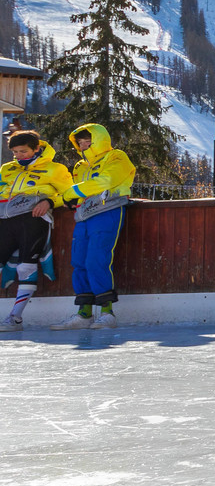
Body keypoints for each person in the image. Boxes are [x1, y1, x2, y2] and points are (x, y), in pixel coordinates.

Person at [56, 123, 136, 329]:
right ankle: (84, 314)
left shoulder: (117, 157)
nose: (83, 144)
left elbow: (106, 180)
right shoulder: (80, 166)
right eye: (79, 141)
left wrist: (72, 192)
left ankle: (107, 313)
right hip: (83, 216)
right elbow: (71, 193)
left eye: (87, 139)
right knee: (79, 262)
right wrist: (57, 200)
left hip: (108, 210)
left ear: (99, 139)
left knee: (96, 260)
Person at [0, 130, 74, 331]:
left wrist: (49, 201)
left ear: (36, 149)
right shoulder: (7, 168)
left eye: (23, 151)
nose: (19, 156)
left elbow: (71, 193)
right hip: (5, 221)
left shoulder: (54, 169)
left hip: (33, 221)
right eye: (15, 152)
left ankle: (15, 318)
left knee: (26, 266)